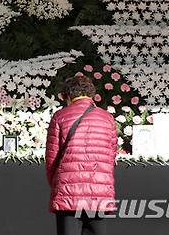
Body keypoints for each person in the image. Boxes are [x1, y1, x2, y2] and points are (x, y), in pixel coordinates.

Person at [45, 76, 118, 235]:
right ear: (90, 94)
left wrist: (57, 185)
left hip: (68, 194)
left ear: (69, 95)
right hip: (98, 193)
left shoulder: (60, 116)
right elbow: (112, 155)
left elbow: (52, 159)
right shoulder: (107, 118)